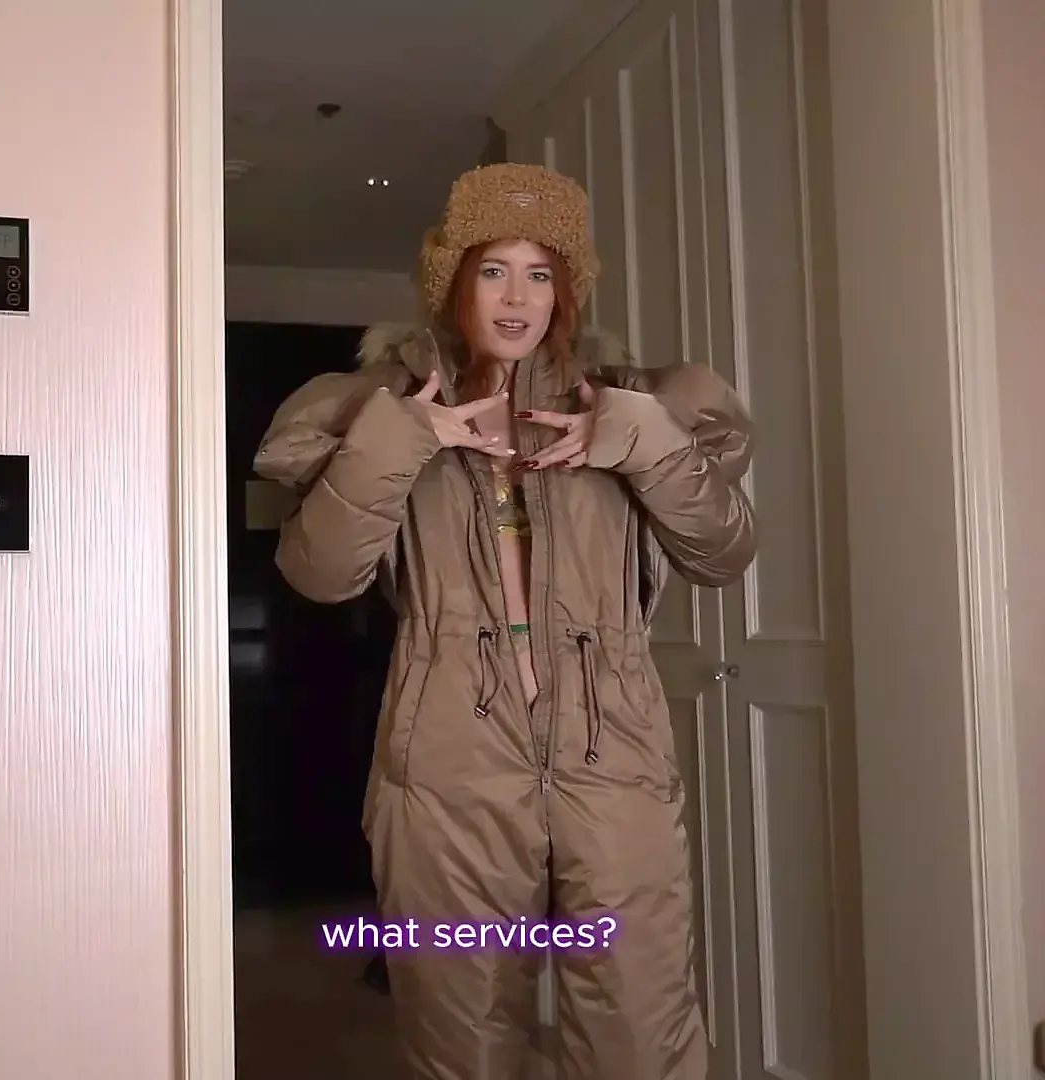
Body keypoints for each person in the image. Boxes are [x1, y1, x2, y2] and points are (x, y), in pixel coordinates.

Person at [253, 162, 756, 1080]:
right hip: (448, 755)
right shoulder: (389, 409)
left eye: (539, 273)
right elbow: (319, 576)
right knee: (462, 1030)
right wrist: (407, 439)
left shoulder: (632, 404)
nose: (517, 297)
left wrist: (643, 443)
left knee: (641, 1022)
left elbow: (723, 555)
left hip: (614, 751)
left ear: (566, 289)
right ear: (453, 279)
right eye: (493, 270)